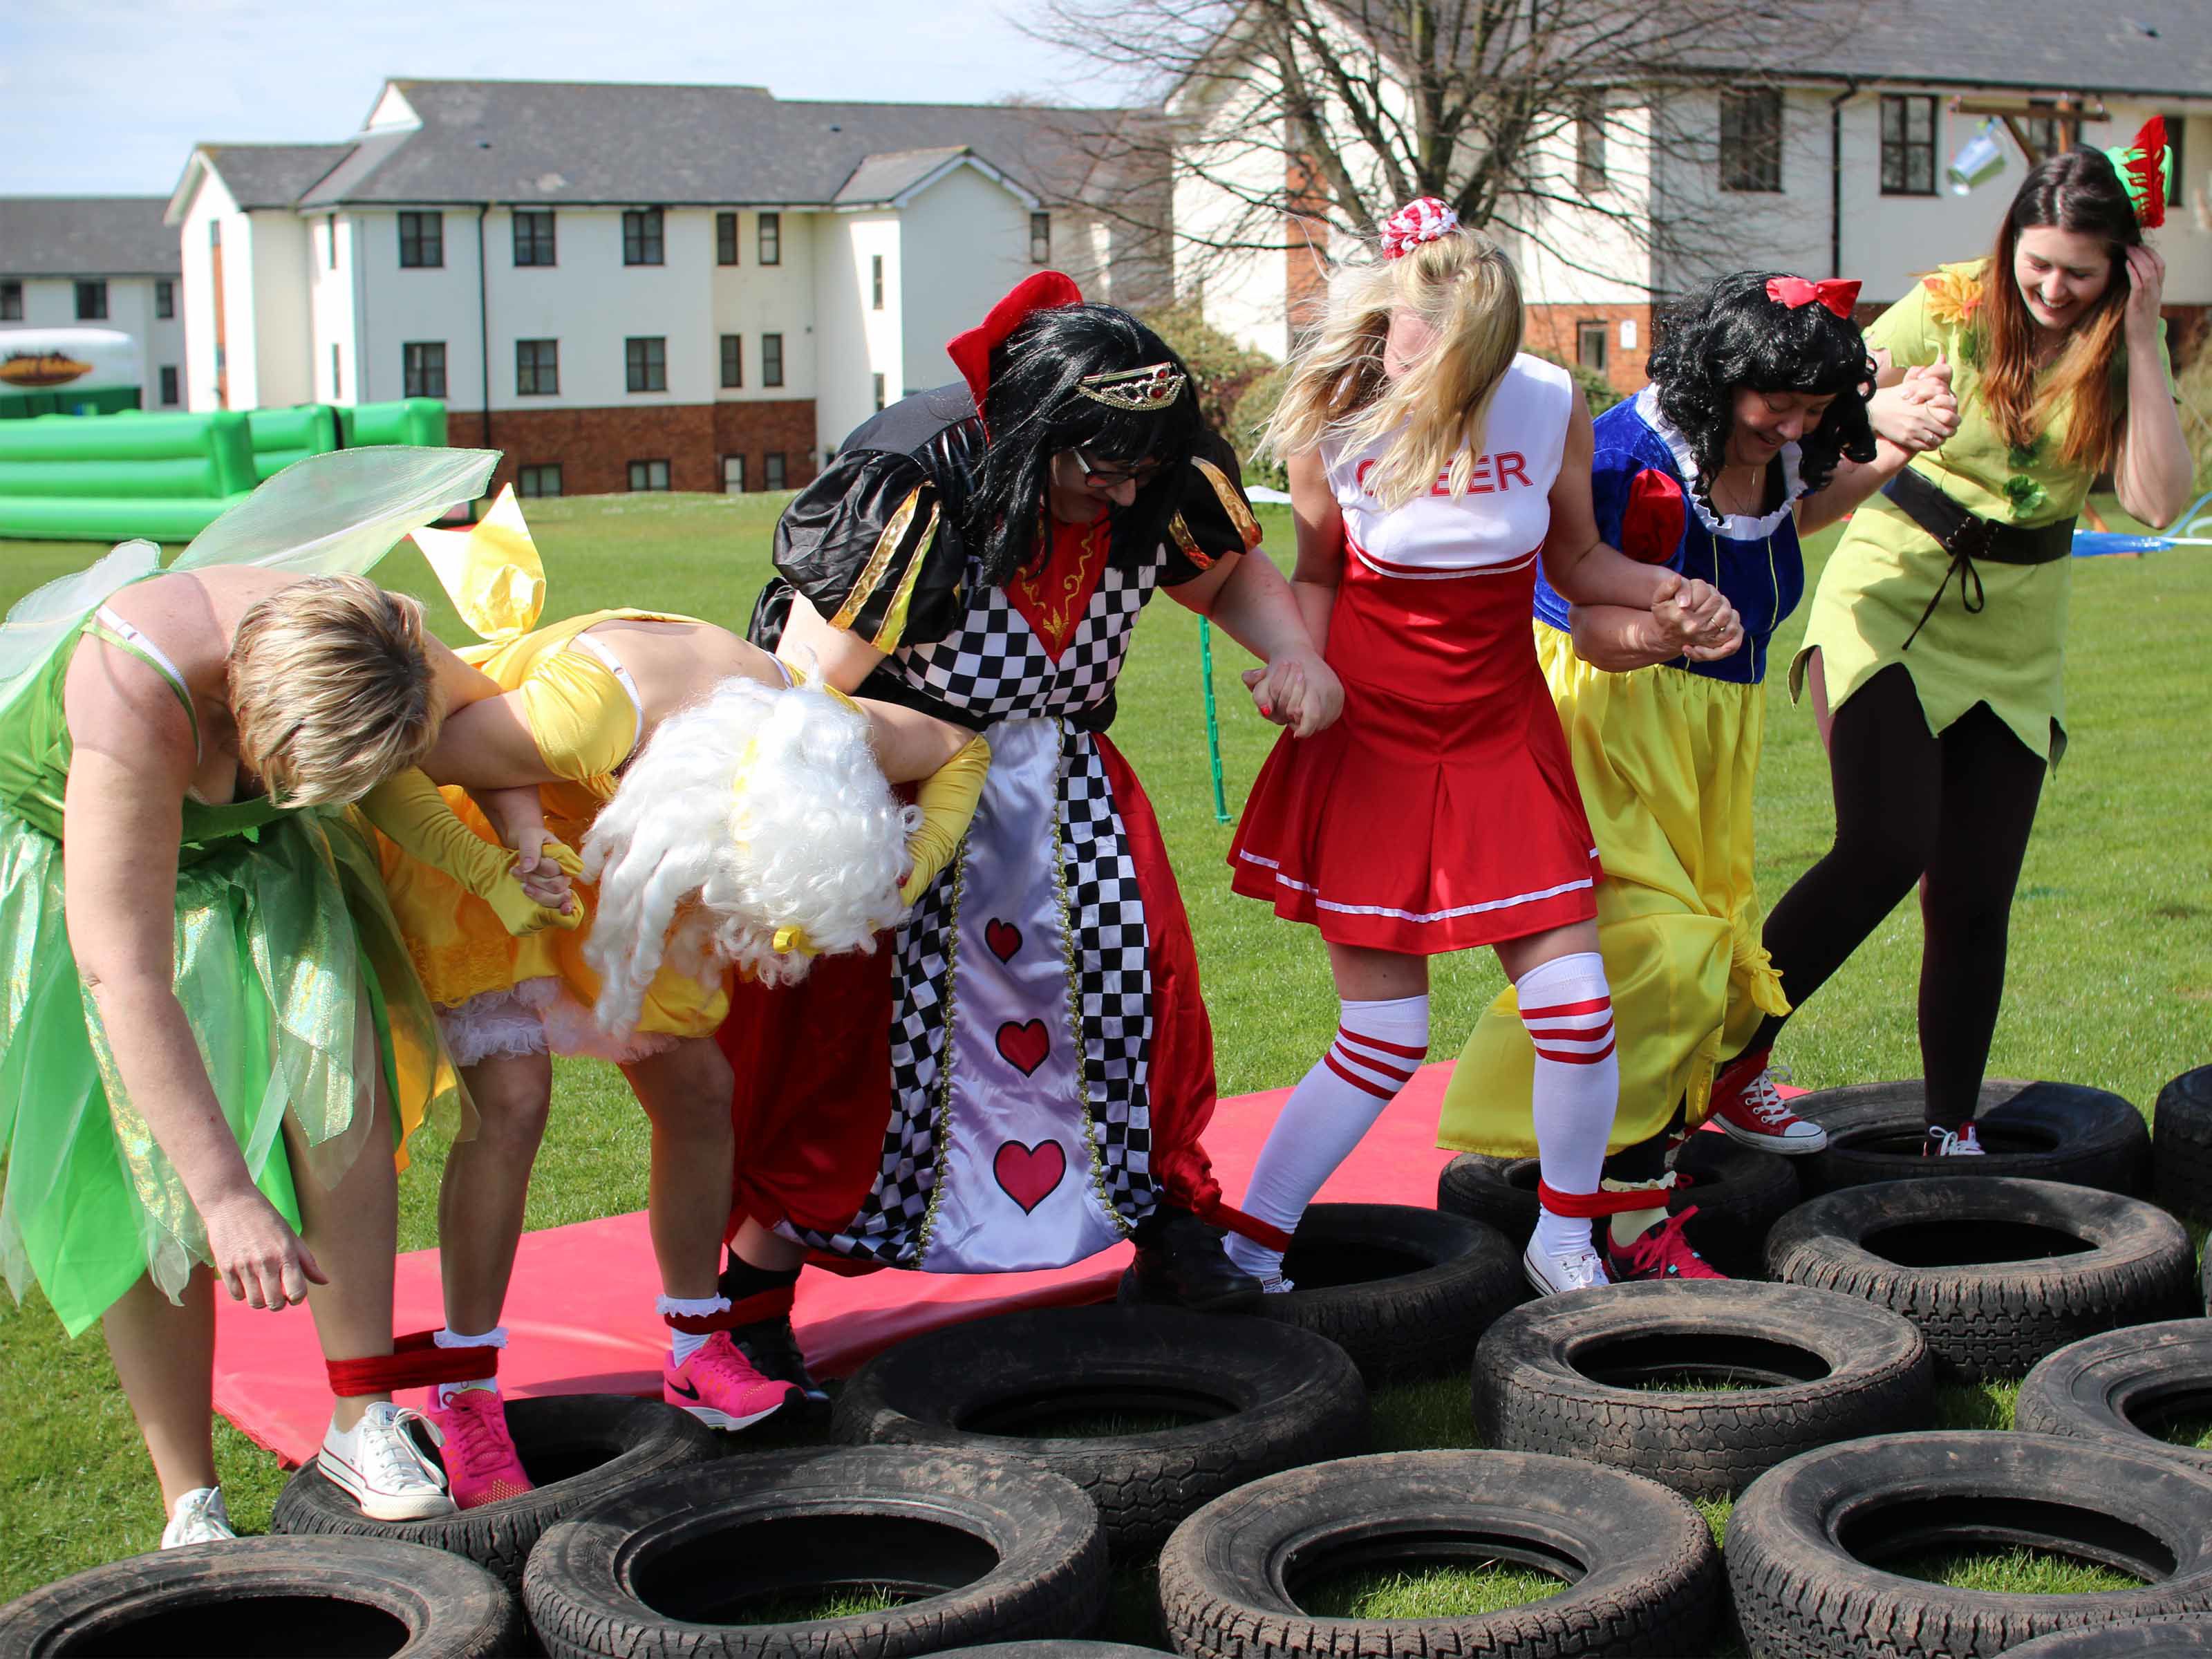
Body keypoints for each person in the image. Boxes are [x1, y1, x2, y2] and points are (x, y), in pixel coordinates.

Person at [706, 272, 1344, 1407]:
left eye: (1143, 469)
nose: (1125, 490)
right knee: (856, 1055)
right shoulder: (921, 480)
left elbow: (1228, 575)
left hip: (1070, 787)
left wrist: (1294, 653)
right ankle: (752, 1305)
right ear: (1038, 428)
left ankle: (1168, 1230)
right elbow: (805, 689)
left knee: (1132, 1008)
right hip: (909, 786)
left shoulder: (1147, 471)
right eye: (1102, 467)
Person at [360, 494, 982, 1504]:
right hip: (472, 849)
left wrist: (905, 873)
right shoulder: (581, 718)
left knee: (699, 1091)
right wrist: (502, 853)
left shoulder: (826, 726)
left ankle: (698, 1345)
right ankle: (464, 1391)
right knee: (513, 1105)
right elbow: (400, 747)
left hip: (628, 861)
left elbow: (959, 746)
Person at [1221, 200, 1743, 1300]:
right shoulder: (1337, 418)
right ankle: (1250, 1251)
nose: (1454, 381)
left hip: (1503, 734)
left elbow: (1579, 564)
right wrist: (1294, 667)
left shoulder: (1547, 398)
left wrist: (1668, 595)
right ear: (1392, 317)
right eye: (1435, 351)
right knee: (1384, 1037)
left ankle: (1565, 1241)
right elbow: (1314, 578)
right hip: (1372, 742)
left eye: (1480, 361)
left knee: (1579, 1013)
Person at [0, 450, 504, 1548]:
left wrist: (523, 837)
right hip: (87, 870)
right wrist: (225, 1193)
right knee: (136, 1166)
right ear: (241, 713)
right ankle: (190, 1501)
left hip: (264, 860)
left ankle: (362, 1415)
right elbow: (122, 969)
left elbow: (496, 715)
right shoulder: (134, 688)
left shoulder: (383, 636)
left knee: (342, 1105)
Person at [1438, 270, 1958, 1279]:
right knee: (1659, 958)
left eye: (1815, 409)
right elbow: (1580, 616)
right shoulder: (1629, 460)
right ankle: (1621, 1226)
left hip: (1714, 733)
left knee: (1714, 953)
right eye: (1778, 405)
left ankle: (1683, 1119)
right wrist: (1660, 630)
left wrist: (1890, 447)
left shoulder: (1782, 446)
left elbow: (1798, 511)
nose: (1792, 428)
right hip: (1605, 722)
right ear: (1719, 379)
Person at [1732, 121, 2194, 1157]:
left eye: (2081, 273)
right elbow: (1824, 403)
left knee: (1977, 896)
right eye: (2038, 265)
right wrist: (1887, 410)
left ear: (2122, 268)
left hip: (2016, 640)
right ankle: (1723, 1059)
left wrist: (2140, 334)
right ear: (2009, 244)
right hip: (1891, 600)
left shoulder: (2122, 342)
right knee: (1886, 845)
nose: (2054, 289)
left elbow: (2160, 501)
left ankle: (1953, 1130)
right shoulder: (1948, 306)